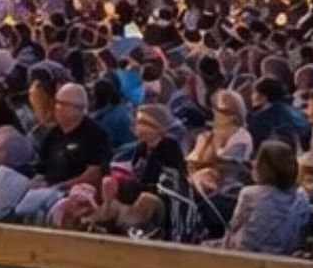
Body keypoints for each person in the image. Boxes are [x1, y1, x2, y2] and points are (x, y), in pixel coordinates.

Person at [14, 83, 112, 218]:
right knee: (7, 176)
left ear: (78, 108)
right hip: (47, 187)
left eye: (61, 103)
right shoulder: (52, 134)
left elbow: (93, 176)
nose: (56, 107)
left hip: (73, 193)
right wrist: (36, 180)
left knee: (28, 209)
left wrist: (55, 187)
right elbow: (42, 167)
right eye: (56, 102)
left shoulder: (95, 135)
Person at [90, 105, 187, 232]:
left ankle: (131, 231)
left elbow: (160, 182)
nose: (138, 127)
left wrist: (127, 187)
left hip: (165, 197)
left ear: (156, 127)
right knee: (110, 189)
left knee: (145, 200)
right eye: (138, 122)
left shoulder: (169, 147)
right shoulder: (141, 147)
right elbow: (137, 175)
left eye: (143, 123)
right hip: (141, 190)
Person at [216, 141, 311, 255]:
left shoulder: (250, 194)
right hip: (286, 257)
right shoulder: (302, 196)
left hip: (245, 257)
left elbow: (233, 228)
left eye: (257, 159)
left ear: (263, 167)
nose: (253, 162)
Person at [188, 89, 254, 195]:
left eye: (224, 111)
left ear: (236, 113)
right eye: (215, 109)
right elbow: (192, 160)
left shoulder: (242, 137)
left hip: (226, 187)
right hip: (200, 182)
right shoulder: (206, 136)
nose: (217, 113)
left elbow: (229, 167)